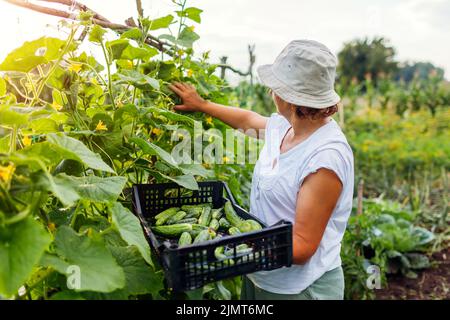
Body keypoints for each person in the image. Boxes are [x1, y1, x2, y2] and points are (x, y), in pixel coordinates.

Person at [169, 40, 354, 300]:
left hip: (299, 288)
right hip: (262, 273)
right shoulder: (286, 126)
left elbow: (301, 247)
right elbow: (248, 120)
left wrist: (230, 247)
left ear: (291, 98)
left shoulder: (324, 158)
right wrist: (202, 105)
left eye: (276, 87)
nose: (271, 91)